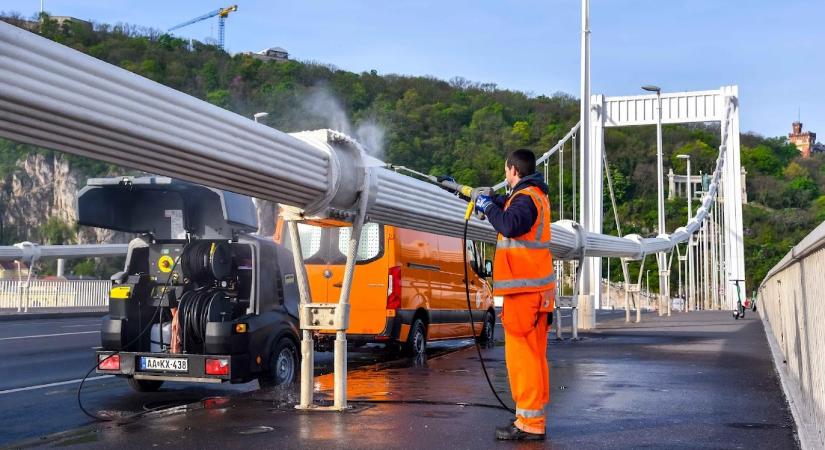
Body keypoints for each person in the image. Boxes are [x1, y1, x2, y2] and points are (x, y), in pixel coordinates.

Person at [474, 148, 555, 441]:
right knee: (533, 356)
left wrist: (489, 207)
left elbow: (509, 224)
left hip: (525, 292)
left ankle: (530, 423)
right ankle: (531, 415)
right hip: (535, 291)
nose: (505, 176)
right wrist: (473, 196)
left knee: (523, 359)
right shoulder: (534, 196)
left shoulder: (525, 199)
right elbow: (505, 206)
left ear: (512, 170)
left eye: (505, 171)